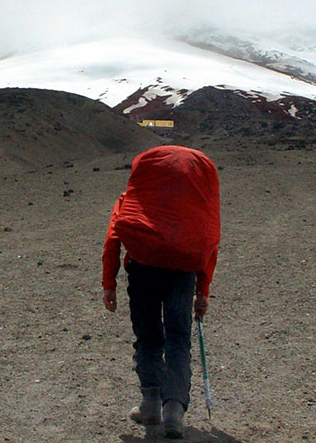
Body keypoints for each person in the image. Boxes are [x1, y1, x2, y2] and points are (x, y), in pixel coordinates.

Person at [101, 145, 220, 439]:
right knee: (179, 338)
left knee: (149, 335)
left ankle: (150, 404)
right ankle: (175, 411)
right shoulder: (196, 207)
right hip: (183, 272)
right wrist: (203, 291)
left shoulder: (132, 200)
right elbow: (209, 240)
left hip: (142, 268)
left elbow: (113, 239)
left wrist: (109, 284)